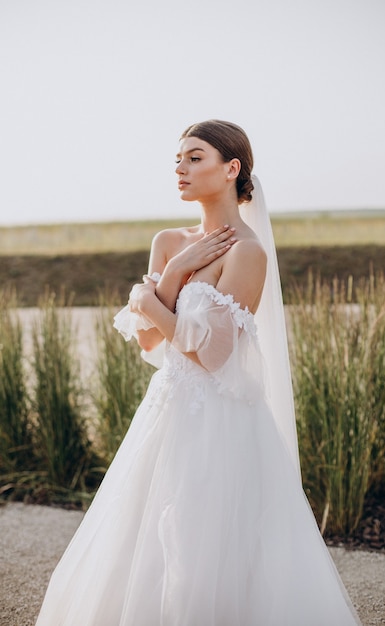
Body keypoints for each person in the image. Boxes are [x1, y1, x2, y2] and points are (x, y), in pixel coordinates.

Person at [36, 120, 361, 625]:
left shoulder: (248, 251)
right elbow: (148, 340)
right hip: (167, 411)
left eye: (195, 157)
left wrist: (147, 297)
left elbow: (216, 356)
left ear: (231, 169)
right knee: (148, 542)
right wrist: (170, 273)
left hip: (221, 422)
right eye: (177, 160)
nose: (180, 169)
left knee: (205, 547)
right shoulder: (169, 240)